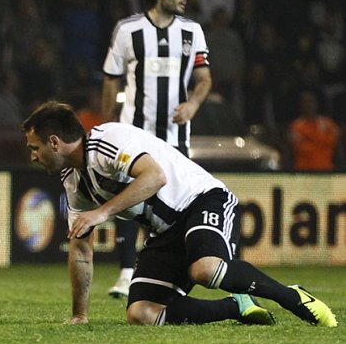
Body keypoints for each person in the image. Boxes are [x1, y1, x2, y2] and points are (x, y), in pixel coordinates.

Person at [22, 101, 337, 327]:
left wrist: (101, 213)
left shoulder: (107, 141)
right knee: (142, 314)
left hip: (204, 201)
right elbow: (80, 247)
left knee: (206, 270)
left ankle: (292, 297)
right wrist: (80, 315)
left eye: (35, 147)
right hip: (165, 231)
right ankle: (235, 307)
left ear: (55, 142)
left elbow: (154, 177)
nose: (33, 156)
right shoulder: (73, 179)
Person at [101, 0, 213, 298]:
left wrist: (192, 105)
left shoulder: (192, 32)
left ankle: (168, 276)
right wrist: (106, 128)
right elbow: (111, 79)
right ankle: (124, 273)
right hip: (133, 134)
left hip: (175, 138)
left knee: (176, 209)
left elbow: (205, 79)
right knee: (127, 204)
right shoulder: (128, 30)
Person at [289, 90, 341, 171]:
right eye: (305, 102)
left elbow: (334, 142)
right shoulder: (295, 126)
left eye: (310, 101)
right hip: (304, 172)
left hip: (326, 171)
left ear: (316, 103)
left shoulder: (328, 123)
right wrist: (322, 139)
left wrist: (310, 139)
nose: (308, 105)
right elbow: (301, 149)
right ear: (300, 105)